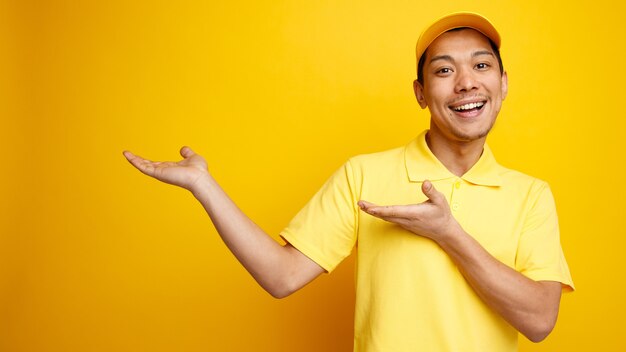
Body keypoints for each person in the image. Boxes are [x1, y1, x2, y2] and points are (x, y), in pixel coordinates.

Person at [124, 12, 574, 352]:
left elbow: (538, 321)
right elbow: (282, 277)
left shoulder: (530, 195)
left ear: (503, 82)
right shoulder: (364, 174)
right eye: (443, 71)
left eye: (481, 66)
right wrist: (204, 186)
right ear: (420, 92)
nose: (465, 84)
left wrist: (448, 233)